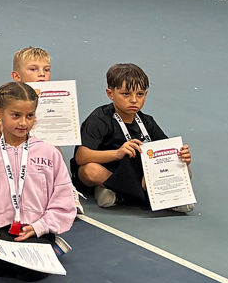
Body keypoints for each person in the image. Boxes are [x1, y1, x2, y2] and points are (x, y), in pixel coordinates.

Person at [0, 82, 76, 281]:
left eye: (30, 115)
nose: (23, 122)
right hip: (0, 232)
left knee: (34, 272)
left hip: (36, 230)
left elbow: (63, 200)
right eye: (16, 115)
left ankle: (52, 245)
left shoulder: (49, 153)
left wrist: (41, 226)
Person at [73, 63, 193, 211]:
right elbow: (81, 156)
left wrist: (182, 157)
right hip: (111, 171)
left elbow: (167, 151)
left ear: (146, 94)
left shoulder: (147, 121)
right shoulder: (99, 119)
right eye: (126, 94)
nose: (134, 100)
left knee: (184, 170)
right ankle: (156, 198)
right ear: (110, 94)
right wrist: (117, 154)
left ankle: (118, 195)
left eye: (140, 94)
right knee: (89, 171)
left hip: (137, 174)